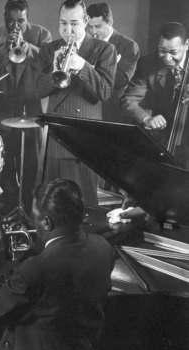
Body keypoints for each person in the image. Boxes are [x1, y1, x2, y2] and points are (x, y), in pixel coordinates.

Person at [0, 179, 115, 350]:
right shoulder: (103, 247)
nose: (33, 222)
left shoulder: (37, 268)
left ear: (46, 223)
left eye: (35, 216)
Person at [35, 0, 117, 206]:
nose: (68, 30)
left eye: (74, 23)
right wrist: (55, 70)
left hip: (85, 137)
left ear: (86, 21)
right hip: (55, 136)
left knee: (84, 203)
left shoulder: (104, 49)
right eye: (63, 24)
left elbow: (105, 92)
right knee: (54, 204)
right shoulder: (49, 49)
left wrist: (83, 66)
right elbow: (37, 89)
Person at [0, 0, 51, 215]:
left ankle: (29, 214)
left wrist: (26, 46)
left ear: (27, 17)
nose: (16, 25)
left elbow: (47, 64)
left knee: (30, 167)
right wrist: (5, 48)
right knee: (5, 170)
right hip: (0, 112)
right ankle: (10, 209)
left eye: (21, 20)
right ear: (5, 17)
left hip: (28, 112)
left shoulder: (42, 35)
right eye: (11, 21)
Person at [121, 22, 189, 168]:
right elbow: (128, 100)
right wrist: (147, 118)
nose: (167, 57)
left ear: (186, 45)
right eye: (162, 50)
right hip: (163, 139)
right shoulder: (147, 63)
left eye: (173, 52)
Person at [87, 2, 140, 123]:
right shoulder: (87, 43)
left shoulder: (129, 46)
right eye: (90, 26)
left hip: (110, 110)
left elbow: (121, 80)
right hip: (86, 107)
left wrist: (89, 68)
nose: (93, 31)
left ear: (110, 22)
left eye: (98, 26)